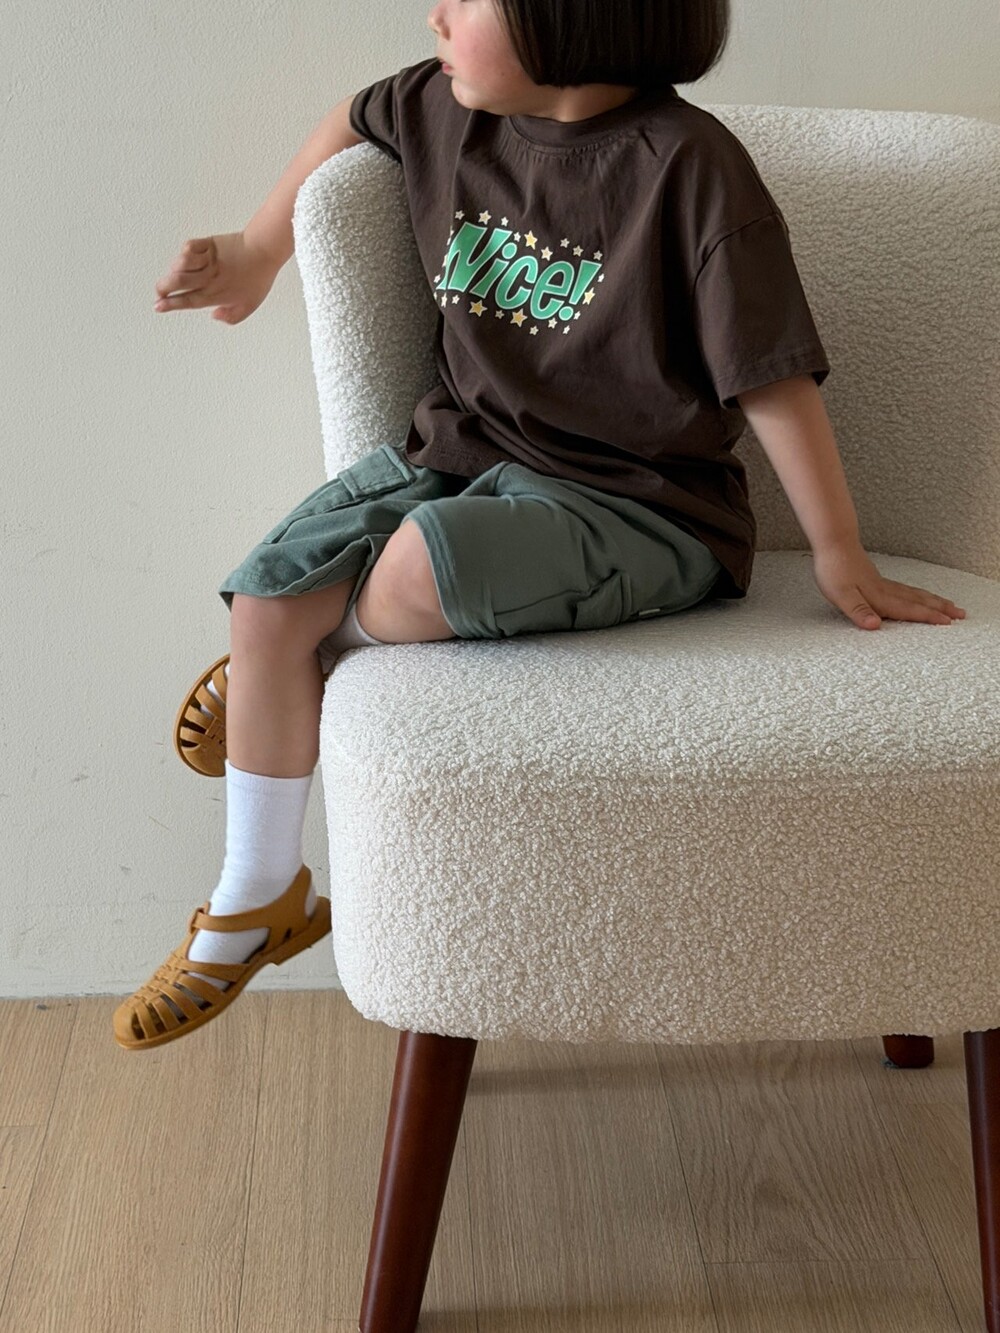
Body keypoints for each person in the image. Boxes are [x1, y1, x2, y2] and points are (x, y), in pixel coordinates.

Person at [115, 0, 967, 1050]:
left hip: (641, 507)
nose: (435, 15)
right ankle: (256, 895)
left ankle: (301, 666)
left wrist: (838, 551)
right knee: (263, 599)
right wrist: (257, 248)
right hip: (458, 458)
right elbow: (348, 117)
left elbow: (770, 373)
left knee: (405, 573)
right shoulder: (446, 106)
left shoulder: (689, 167)